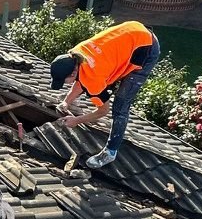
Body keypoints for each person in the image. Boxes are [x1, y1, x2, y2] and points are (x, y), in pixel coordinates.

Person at [49, 21, 160, 169]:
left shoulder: (93, 78)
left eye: (64, 80)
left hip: (146, 47)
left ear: (73, 72)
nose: (64, 83)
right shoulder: (75, 54)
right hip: (133, 32)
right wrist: (66, 102)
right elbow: (81, 79)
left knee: (120, 106)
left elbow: (103, 111)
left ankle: (110, 152)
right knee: (107, 82)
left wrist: (77, 120)